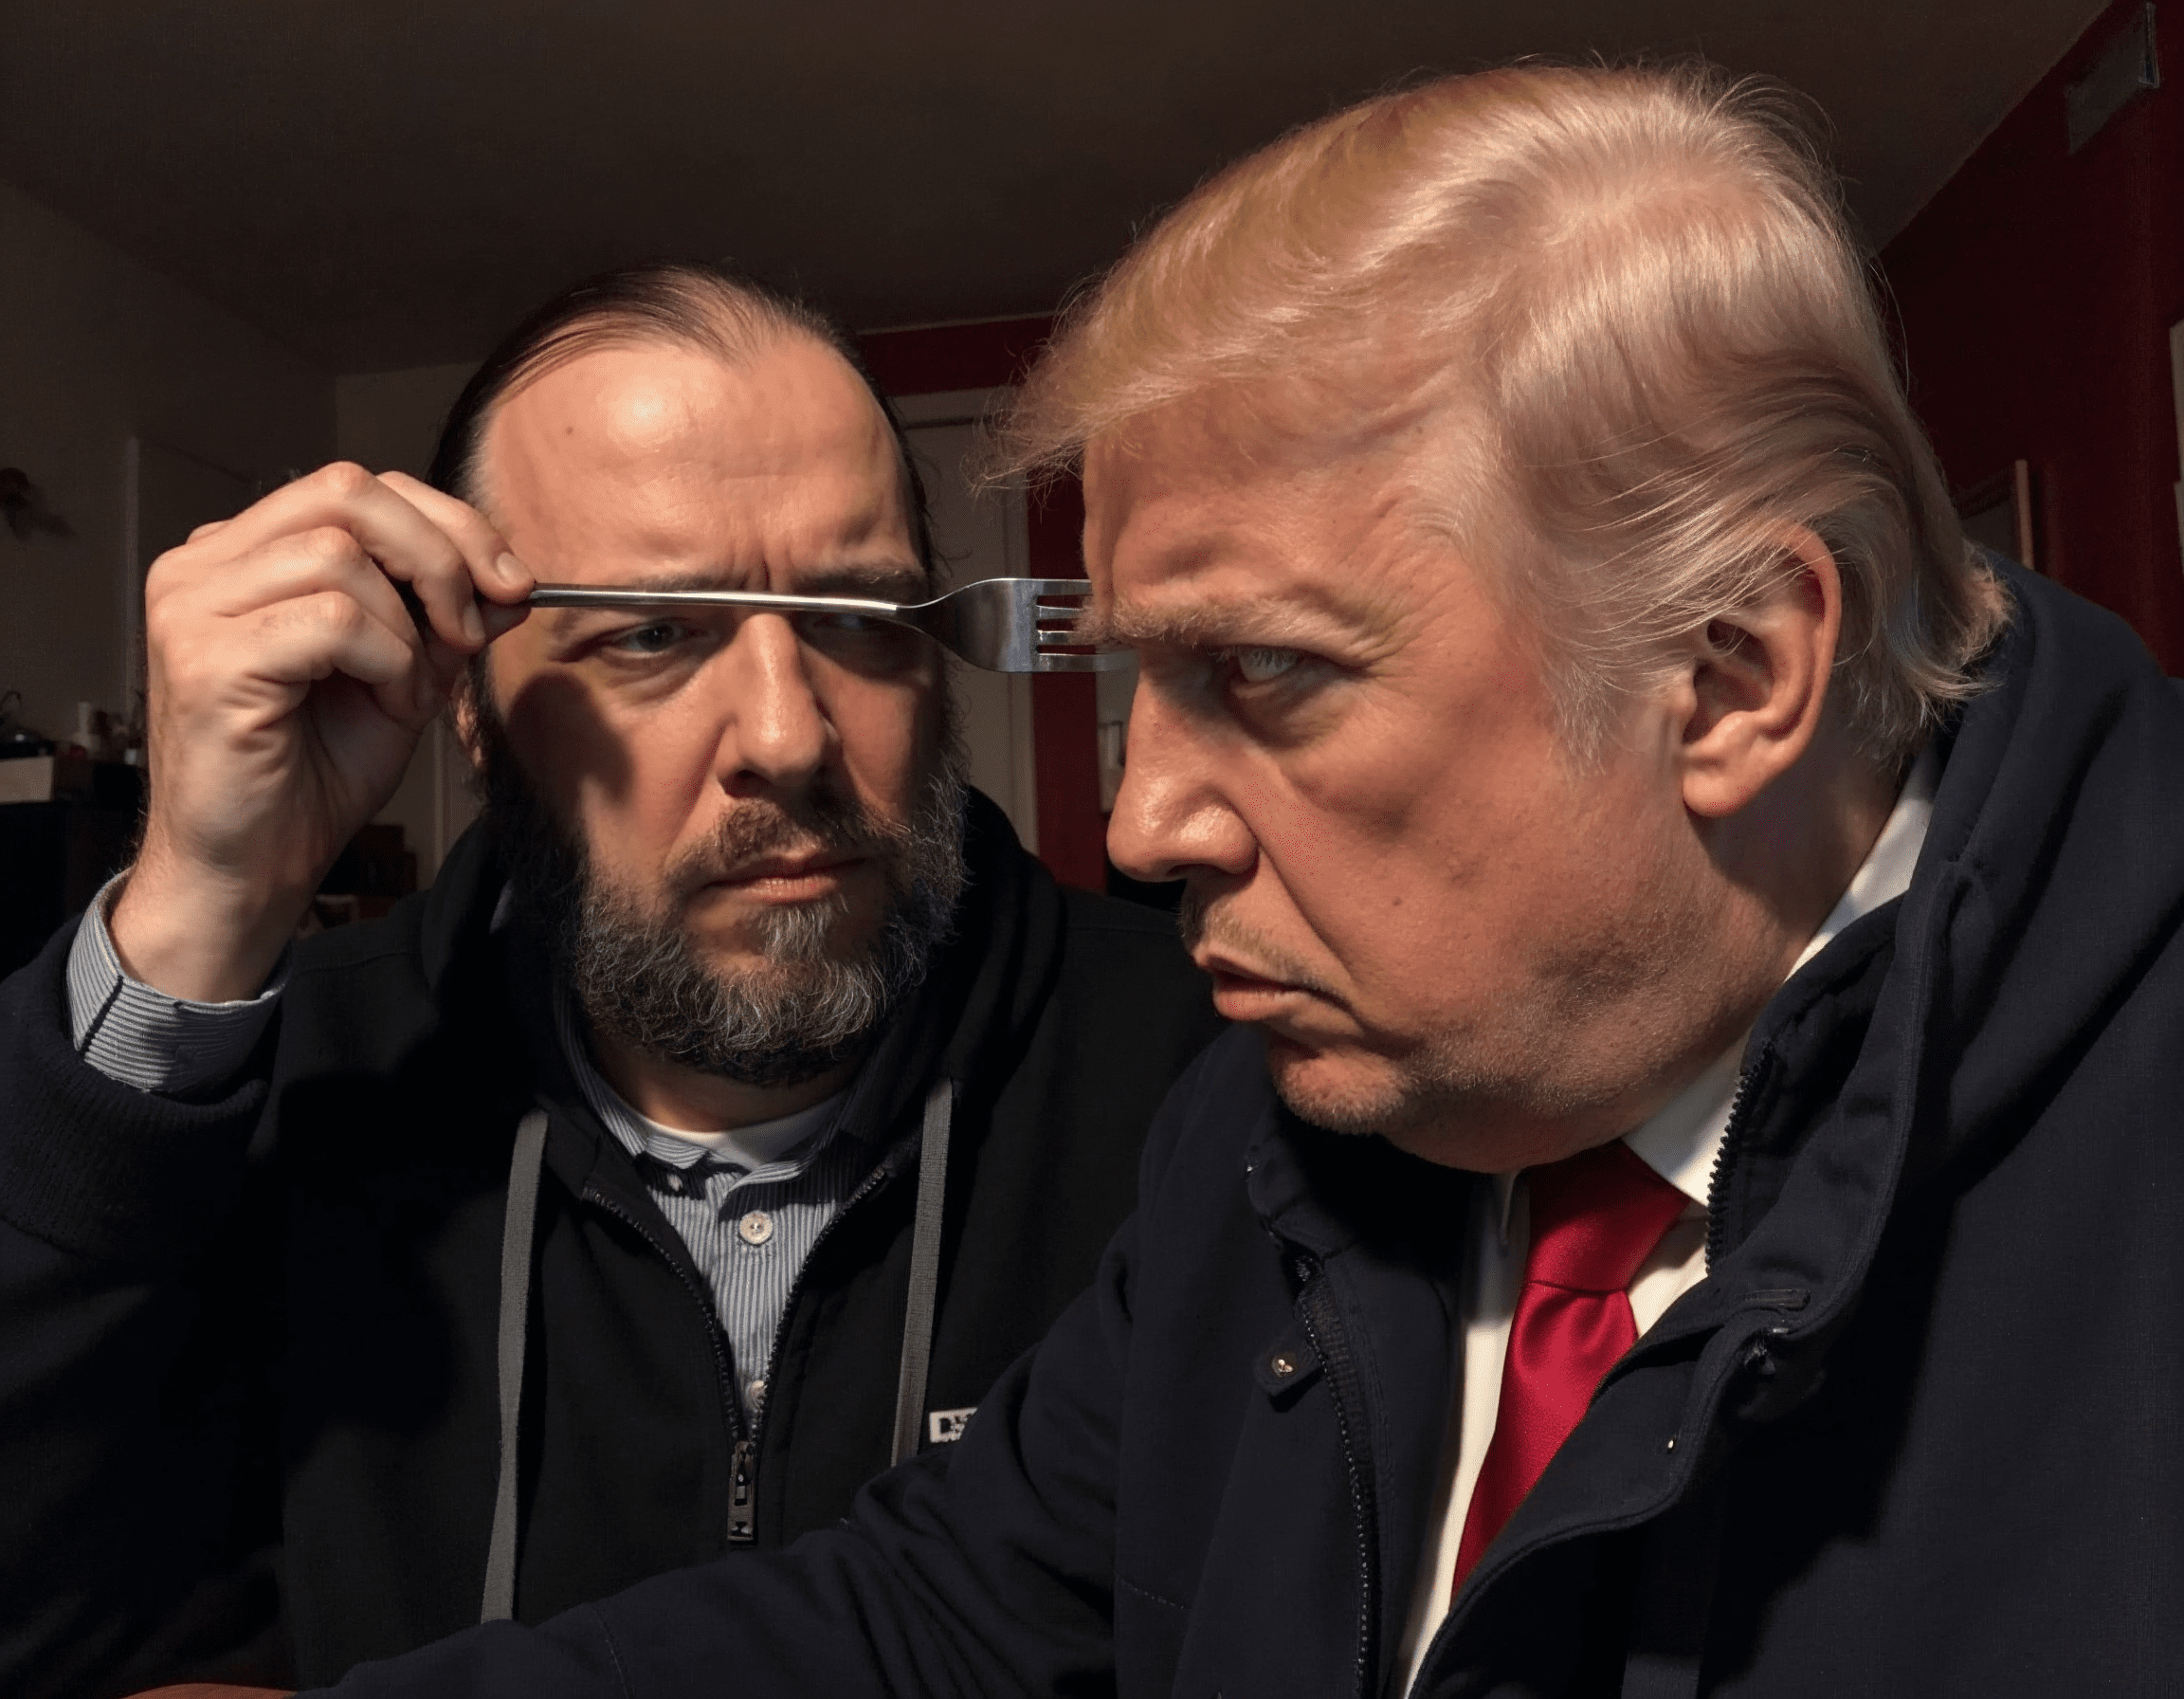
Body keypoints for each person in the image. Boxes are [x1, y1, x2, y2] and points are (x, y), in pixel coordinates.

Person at [85, 60, 2184, 1697]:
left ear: (1731, 669)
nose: (1143, 820)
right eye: (1134, 677)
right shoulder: (1274, 1144)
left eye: (1261, 672)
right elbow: (933, 1615)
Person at [0, 263, 1223, 1698]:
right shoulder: (297, 1086)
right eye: (652, 633)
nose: (788, 738)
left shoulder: (1207, 1075)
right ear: (467, 703)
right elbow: (54, 1634)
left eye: (855, 614)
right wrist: (203, 902)